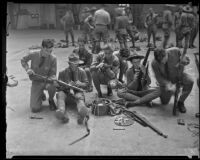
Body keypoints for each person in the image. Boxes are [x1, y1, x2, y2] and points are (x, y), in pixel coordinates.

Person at [151, 47, 194, 113]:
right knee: (164, 102)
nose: (162, 62)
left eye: (163, 59)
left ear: (166, 53)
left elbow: (187, 60)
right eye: (160, 61)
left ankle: (180, 102)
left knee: (190, 81)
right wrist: (168, 84)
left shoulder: (176, 51)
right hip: (166, 81)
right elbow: (158, 77)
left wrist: (185, 61)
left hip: (179, 75)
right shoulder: (154, 63)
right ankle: (162, 90)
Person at [21, 39, 57, 113]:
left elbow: (53, 74)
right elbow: (23, 60)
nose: (49, 53)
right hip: (36, 82)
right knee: (35, 109)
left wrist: (53, 78)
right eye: (47, 51)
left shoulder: (53, 58)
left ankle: (50, 99)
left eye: (51, 51)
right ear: (42, 48)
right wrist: (28, 69)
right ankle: (41, 94)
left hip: (47, 81)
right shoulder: (33, 54)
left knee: (53, 85)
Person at [55, 53, 89, 124]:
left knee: (79, 97)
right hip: (66, 94)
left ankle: (81, 113)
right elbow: (58, 87)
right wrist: (66, 86)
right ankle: (62, 113)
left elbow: (86, 84)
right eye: (72, 63)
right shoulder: (62, 72)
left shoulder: (82, 72)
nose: (74, 65)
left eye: (76, 64)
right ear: (69, 63)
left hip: (77, 92)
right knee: (60, 95)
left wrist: (80, 83)